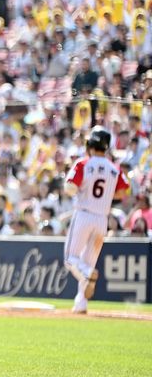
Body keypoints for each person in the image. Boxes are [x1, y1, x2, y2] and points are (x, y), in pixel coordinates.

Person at [64, 126, 129, 314]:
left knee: (71, 259)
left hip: (83, 214)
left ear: (90, 144)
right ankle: (81, 303)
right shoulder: (114, 168)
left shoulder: (84, 163)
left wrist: (80, 190)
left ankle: (86, 274)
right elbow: (124, 191)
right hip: (102, 219)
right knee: (88, 260)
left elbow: (70, 186)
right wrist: (107, 196)